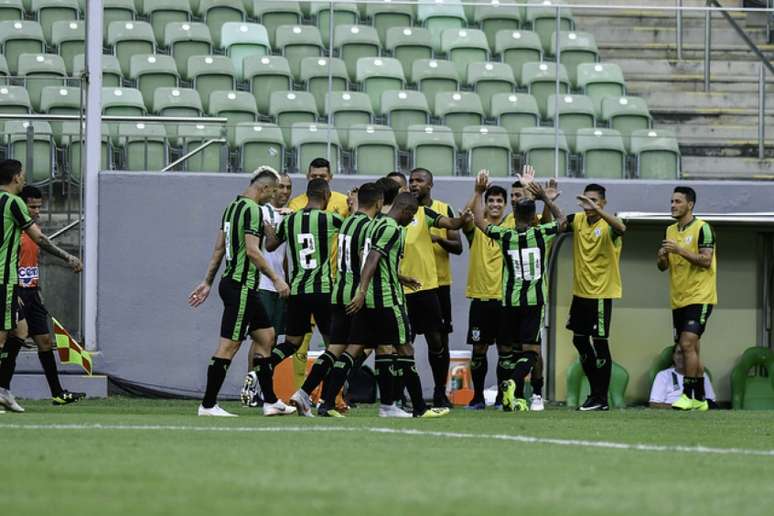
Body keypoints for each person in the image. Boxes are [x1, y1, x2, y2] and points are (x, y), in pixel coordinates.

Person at [189, 170, 292, 417]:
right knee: (229, 346)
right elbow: (253, 252)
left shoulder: (232, 207)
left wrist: (207, 282)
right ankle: (208, 405)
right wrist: (277, 279)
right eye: (275, 190)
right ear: (265, 188)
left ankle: (270, 401)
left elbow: (218, 249)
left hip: (237, 285)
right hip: (241, 286)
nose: (277, 194)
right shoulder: (254, 211)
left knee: (267, 337)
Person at [340, 192, 450, 419]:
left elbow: (369, 258)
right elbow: (371, 259)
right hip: (387, 300)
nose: (412, 221)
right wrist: (361, 290)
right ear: (407, 211)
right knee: (404, 349)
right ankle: (419, 407)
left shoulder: (374, 224)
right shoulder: (393, 228)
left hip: (370, 298)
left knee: (358, 349)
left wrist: (401, 277)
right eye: (412, 216)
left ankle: (326, 399)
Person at [471, 171, 566, 412]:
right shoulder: (541, 234)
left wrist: (479, 192)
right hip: (534, 302)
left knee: (510, 352)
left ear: (514, 215)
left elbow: (479, 222)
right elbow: (562, 221)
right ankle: (512, 383)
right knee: (532, 352)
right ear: (533, 216)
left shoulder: (505, 235)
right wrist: (545, 197)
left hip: (509, 302)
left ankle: (508, 395)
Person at [0, 160, 83, 414]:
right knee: (3, 337)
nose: (24, 178)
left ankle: (6, 390)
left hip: (20, 287)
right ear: (16, 177)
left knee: (22, 333)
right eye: (22, 175)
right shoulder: (13, 206)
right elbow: (40, 239)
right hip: (7, 282)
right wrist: (68, 257)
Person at [264, 179, 344, 416]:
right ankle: (316, 398)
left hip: (297, 291)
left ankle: (263, 366)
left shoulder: (290, 220)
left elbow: (270, 245)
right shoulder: (330, 218)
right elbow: (355, 230)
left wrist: (269, 230)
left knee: (291, 343)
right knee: (335, 347)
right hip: (322, 291)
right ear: (327, 196)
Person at [403, 168, 470, 408]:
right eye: (411, 181)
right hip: (409, 285)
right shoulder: (402, 211)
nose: (414, 184)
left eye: (419, 181)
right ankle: (401, 394)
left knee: (438, 340)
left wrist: (439, 238)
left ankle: (441, 392)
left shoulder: (442, 209)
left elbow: (458, 246)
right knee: (404, 339)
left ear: (430, 185)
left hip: (438, 284)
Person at [287, 158, 349, 390]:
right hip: (317, 284)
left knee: (331, 342)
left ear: (330, 177)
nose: (318, 179)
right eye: (314, 176)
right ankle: (301, 392)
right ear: (307, 176)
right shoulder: (296, 204)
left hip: (333, 284)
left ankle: (335, 394)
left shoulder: (343, 202)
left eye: (322, 176)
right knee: (303, 345)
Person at [565, 184, 626, 411]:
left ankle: (600, 398)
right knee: (579, 340)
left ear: (603, 203)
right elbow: (559, 222)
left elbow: (622, 228)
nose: (588, 205)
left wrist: (596, 210)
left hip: (601, 293)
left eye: (594, 201)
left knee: (599, 342)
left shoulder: (609, 224)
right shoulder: (578, 220)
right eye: (585, 201)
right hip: (580, 293)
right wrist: (545, 197)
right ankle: (595, 394)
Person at [657, 186, 717, 412]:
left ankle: (688, 394)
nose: (673, 205)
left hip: (700, 296)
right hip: (679, 298)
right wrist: (662, 257)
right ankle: (701, 398)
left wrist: (680, 250)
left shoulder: (703, 228)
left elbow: (706, 261)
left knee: (686, 345)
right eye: (671, 201)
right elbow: (663, 267)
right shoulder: (669, 231)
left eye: (678, 202)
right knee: (693, 349)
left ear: (690, 205)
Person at [241, 169, 291, 408]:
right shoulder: (260, 210)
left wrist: (286, 279)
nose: (283, 191)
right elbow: (269, 246)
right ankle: (251, 388)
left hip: (278, 284)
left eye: (288, 187)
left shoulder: (287, 214)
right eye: (279, 186)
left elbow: (283, 256)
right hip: (261, 283)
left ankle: (262, 389)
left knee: (272, 339)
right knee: (262, 338)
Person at [461, 184, 508, 409]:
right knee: (479, 350)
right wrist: (478, 192)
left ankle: (501, 397)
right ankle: (477, 397)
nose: (496, 205)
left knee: (505, 351)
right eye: (491, 201)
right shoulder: (477, 229)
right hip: (480, 299)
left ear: (505, 205)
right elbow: (465, 218)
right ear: (486, 204)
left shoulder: (511, 227)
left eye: (500, 201)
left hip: (505, 299)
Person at [649, 344, 716, 408]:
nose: (683, 357)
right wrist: (678, 408)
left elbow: (711, 402)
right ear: (673, 356)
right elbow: (654, 404)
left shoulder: (702, 375)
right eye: (679, 353)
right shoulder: (663, 376)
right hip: (672, 413)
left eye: (687, 353)